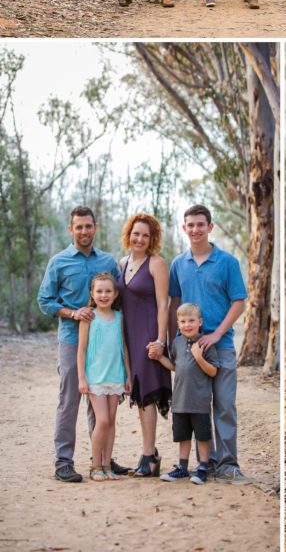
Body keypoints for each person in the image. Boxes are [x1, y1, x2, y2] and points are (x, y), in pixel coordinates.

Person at [37, 206, 123, 482]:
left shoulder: (108, 262)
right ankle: (63, 461)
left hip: (104, 345)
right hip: (72, 340)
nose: (84, 231)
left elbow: (121, 299)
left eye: (88, 226)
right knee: (70, 400)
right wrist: (73, 313)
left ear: (95, 227)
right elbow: (45, 301)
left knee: (98, 402)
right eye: (79, 227)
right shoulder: (59, 262)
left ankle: (101, 460)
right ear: (70, 229)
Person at [168, 204, 249, 483]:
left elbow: (239, 302)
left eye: (200, 224)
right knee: (197, 406)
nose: (195, 229)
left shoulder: (227, 262)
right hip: (189, 349)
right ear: (184, 228)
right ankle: (207, 463)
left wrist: (216, 334)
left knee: (225, 404)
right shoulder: (178, 264)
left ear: (210, 227)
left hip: (220, 344)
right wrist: (173, 341)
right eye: (190, 225)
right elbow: (174, 304)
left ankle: (228, 464)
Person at [118, 212, 172, 478]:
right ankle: (149, 453)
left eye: (145, 235)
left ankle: (150, 456)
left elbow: (164, 303)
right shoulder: (121, 263)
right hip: (128, 336)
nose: (139, 239)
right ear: (129, 234)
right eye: (136, 233)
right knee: (137, 393)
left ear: (152, 239)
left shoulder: (156, 264)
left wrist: (161, 341)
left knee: (146, 393)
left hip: (149, 336)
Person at [155, 302, 220, 484]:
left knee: (202, 436)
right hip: (180, 401)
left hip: (199, 401)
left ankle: (202, 468)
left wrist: (198, 357)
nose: (187, 325)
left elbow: (213, 371)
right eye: (183, 321)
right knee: (183, 436)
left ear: (200, 322)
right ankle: (182, 468)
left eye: (191, 320)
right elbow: (175, 366)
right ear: (178, 323)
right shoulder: (176, 342)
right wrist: (160, 358)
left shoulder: (206, 343)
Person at [76, 273, 131, 481]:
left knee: (112, 422)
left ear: (115, 293)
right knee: (103, 420)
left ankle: (108, 465)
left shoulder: (119, 317)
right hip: (95, 378)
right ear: (92, 293)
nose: (104, 295)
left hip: (115, 376)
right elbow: (81, 350)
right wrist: (82, 378)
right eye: (99, 291)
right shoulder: (89, 316)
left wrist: (127, 375)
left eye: (108, 291)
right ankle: (95, 465)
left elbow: (124, 347)